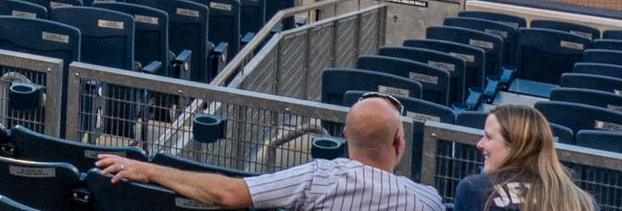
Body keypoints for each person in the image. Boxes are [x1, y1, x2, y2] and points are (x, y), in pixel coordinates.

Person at [93, 95, 438, 211]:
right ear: (399, 143)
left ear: (344, 136)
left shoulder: (320, 178)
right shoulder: (427, 202)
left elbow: (228, 194)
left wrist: (151, 170)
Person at [454, 107, 594, 211]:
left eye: (489, 137)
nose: (479, 144)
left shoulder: (474, 189)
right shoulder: (583, 201)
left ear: (515, 144)